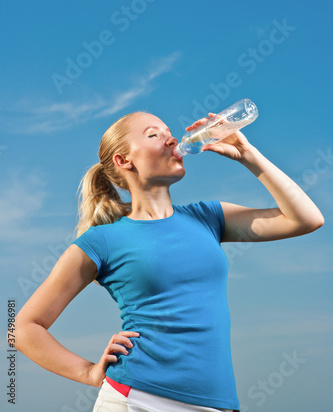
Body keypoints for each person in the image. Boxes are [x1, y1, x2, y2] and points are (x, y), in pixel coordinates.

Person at [11, 110, 324, 412]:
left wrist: (249, 155)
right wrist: (88, 372)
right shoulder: (101, 241)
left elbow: (305, 219)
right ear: (124, 160)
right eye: (154, 135)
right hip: (137, 400)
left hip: (216, 401)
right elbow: (24, 328)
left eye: (170, 133)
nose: (173, 140)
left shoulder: (208, 217)